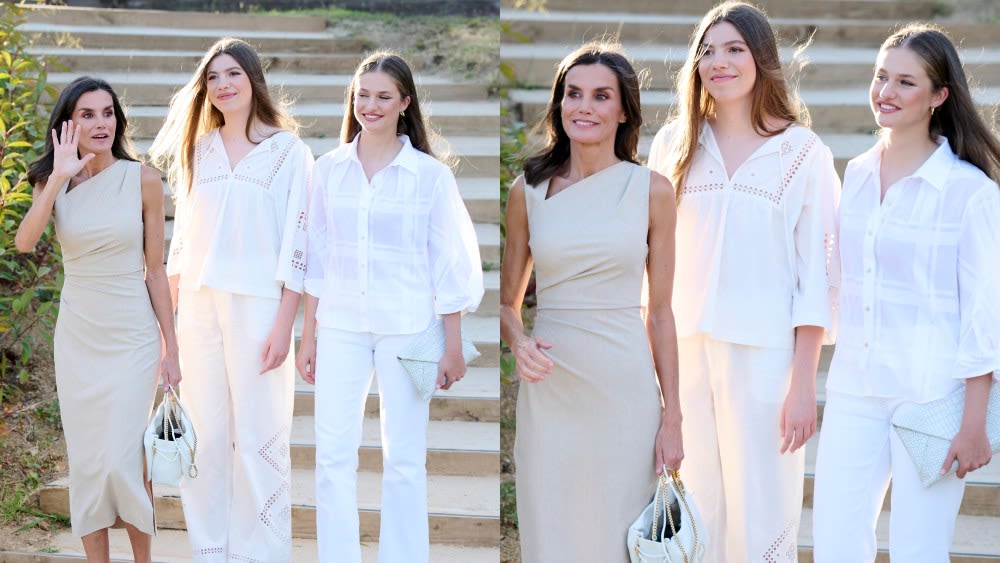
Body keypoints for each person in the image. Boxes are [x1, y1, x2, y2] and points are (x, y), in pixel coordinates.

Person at [647, 2, 840, 560]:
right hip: (682, 355)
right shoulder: (673, 148)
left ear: (762, 59)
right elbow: (652, 263)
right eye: (708, 51)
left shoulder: (803, 152)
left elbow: (817, 276)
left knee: (763, 513)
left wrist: (804, 383)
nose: (719, 62)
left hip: (765, 360)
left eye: (734, 49)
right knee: (695, 510)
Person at [812, 23, 1000, 562]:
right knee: (836, 546)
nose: (885, 92)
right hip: (855, 388)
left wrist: (973, 424)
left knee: (920, 551)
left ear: (939, 97)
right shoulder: (860, 173)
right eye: (880, 77)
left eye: (905, 83)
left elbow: (984, 314)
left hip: (933, 394)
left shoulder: (970, 193)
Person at [294, 51, 483, 563]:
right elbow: (316, 260)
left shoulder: (429, 176)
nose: (370, 105)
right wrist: (306, 338)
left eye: (383, 96)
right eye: (362, 95)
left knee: (404, 459)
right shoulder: (328, 170)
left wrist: (453, 345)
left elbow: (449, 265)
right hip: (340, 327)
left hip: (406, 329)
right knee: (333, 457)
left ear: (404, 102)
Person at [500, 41, 683, 563]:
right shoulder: (528, 191)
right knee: (551, 528)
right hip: (552, 384)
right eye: (573, 94)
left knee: (618, 536)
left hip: (624, 387)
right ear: (559, 104)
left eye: (601, 96)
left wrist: (673, 416)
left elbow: (662, 311)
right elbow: (507, 305)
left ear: (624, 109)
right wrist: (519, 341)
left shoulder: (652, 190)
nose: (584, 106)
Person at [147, 37, 313, 562]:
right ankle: (211, 551)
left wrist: (286, 325)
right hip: (197, 308)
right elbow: (181, 245)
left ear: (253, 80)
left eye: (233, 74)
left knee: (261, 438)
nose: (222, 85)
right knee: (209, 440)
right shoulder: (199, 150)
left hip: (260, 308)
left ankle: (260, 553)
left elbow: (299, 244)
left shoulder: (290, 152)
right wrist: (165, 334)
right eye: (213, 77)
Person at [14, 76, 180, 563]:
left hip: (131, 334)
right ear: (68, 124)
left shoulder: (144, 179)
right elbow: (25, 242)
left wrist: (172, 346)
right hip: (79, 335)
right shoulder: (52, 181)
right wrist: (60, 176)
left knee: (126, 460)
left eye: (108, 112)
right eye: (88, 114)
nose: (101, 122)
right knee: (88, 462)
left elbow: (155, 269)